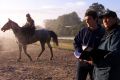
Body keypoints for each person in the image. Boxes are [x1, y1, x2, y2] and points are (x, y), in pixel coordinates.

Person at [73, 10, 105, 80]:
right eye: (86, 19)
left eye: (89, 19)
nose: (86, 21)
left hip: (95, 64)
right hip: (82, 63)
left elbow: (105, 48)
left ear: (95, 19)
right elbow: (76, 42)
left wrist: (95, 59)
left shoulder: (102, 32)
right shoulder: (83, 30)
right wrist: (79, 53)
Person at [93, 10, 120, 80]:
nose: (104, 20)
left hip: (109, 74)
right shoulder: (107, 32)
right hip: (100, 73)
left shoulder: (117, 34)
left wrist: (95, 60)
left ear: (115, 19)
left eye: (107, 17)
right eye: (103, 18)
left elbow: (114, 55)